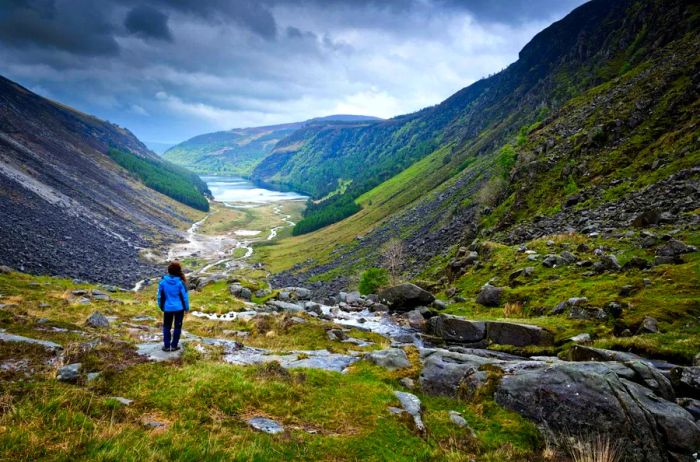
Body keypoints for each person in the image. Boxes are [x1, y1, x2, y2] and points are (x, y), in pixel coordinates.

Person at [157, 261, 190, 352]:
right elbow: (185, 297)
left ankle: (167, 346)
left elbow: (159, 296)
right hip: (179, 309)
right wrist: (187, 308)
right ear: (178, 271)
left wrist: (161, 306)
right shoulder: (180, 282)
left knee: (166, 327)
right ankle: (174, 346)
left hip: (167, 308)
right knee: (177, 327)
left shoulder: (163, 282)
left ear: (169, 271)